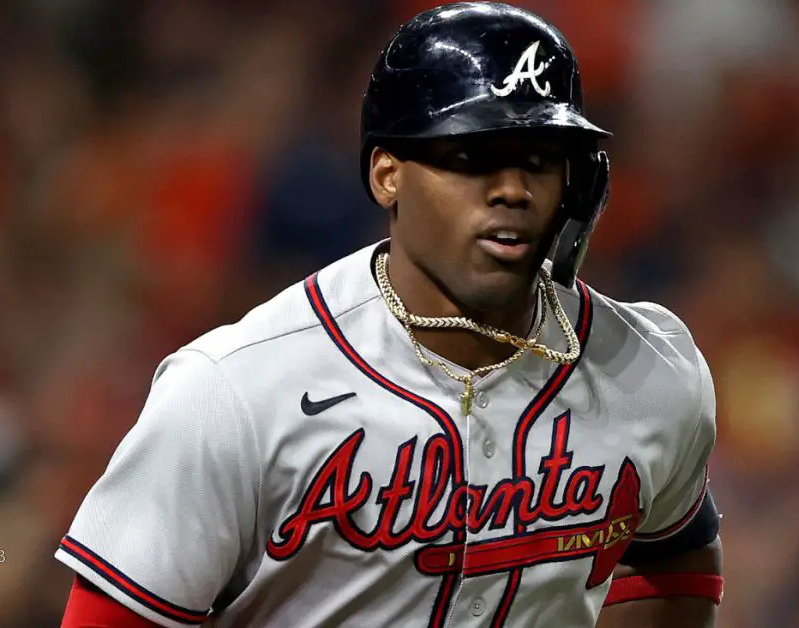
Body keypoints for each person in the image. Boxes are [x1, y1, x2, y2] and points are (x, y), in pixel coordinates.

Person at [56, 3, 724, 627]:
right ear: (387, 174)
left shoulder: (651, 370)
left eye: (539, 160)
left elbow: (673, 558)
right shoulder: (233, 388)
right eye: (471, 158)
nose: (513, 190)